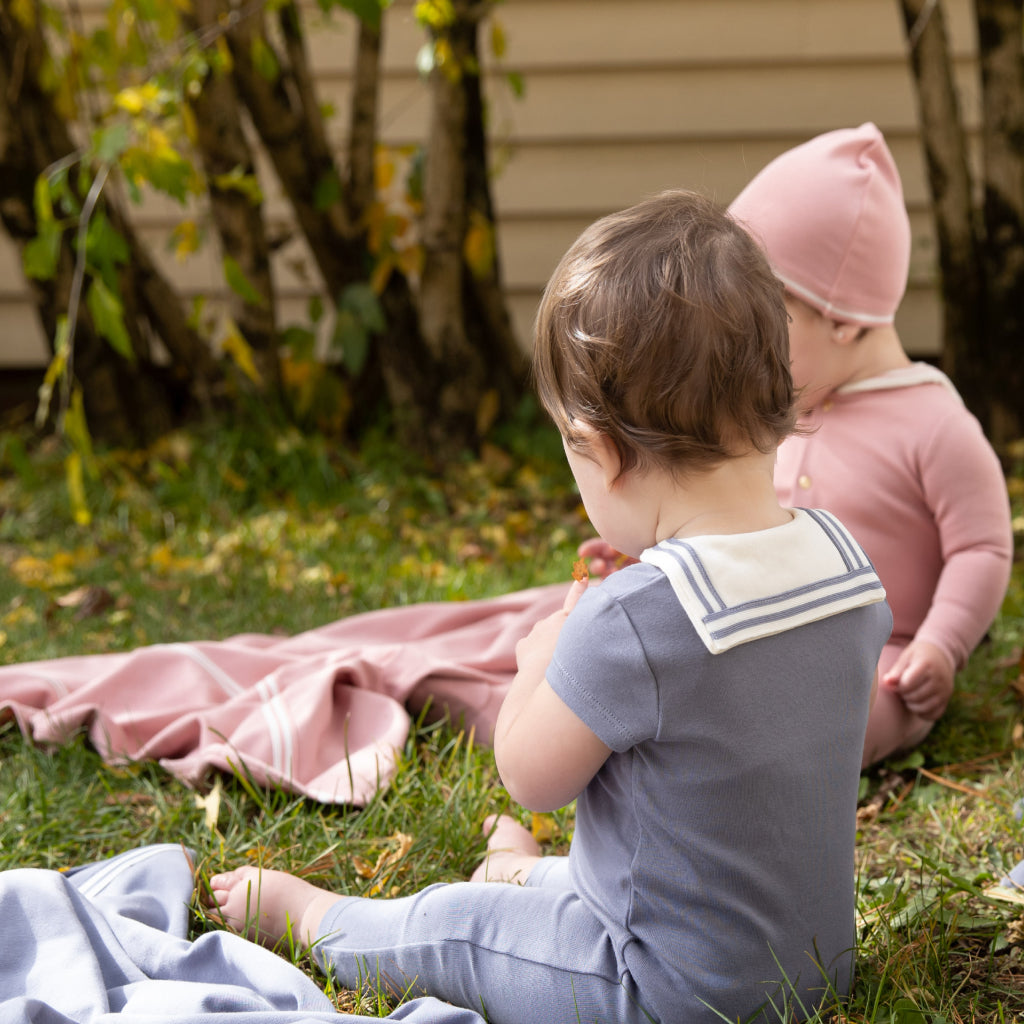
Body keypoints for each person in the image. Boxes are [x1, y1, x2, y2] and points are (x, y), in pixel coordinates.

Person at [210, 189, 893, 1024]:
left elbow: (529, 776)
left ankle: (315, 918)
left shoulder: (634, 620)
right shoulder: (846, 563)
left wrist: (545, 660)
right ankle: (522, 874)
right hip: (813, 964)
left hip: (657, 990)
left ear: (600, 453)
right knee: (615, 864)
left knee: (459, 926)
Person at [585, 123, 1013, 768]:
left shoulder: (935, 424)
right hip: (762, 623)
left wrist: (941, 646)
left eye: (762, 325)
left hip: (880, 648)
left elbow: (981, 546)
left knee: (852, 717)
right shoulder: (777, 412)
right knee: (640, 653)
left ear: (841, 320)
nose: (743, 351)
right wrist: (658, 551)